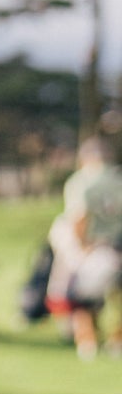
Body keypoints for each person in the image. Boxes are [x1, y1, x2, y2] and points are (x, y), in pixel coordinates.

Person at [61, 138, 122, 358]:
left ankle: (87, 341)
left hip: (95, 246)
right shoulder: (118, 179)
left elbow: (79, 217)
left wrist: (81, 246)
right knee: (117, 297)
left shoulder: (81, 182)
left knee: (79, 295)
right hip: (118, 244)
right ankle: (117, 340)